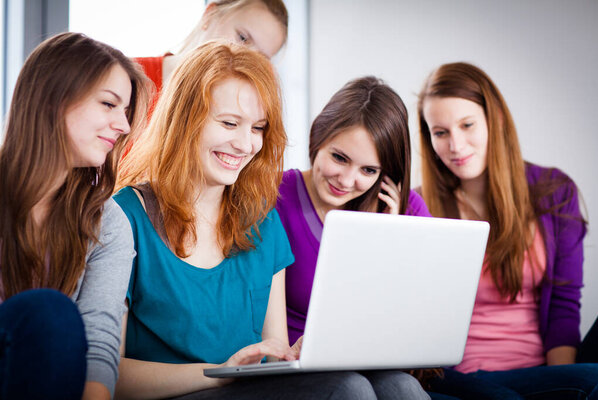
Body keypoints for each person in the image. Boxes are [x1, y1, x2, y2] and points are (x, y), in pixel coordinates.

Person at [114, 40, 407, 400]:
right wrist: (221, 374)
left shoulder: (263, 222)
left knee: (399, 385)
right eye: (229, 123)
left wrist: (293, 357)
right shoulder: (126, 218)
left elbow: (273, 348)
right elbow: (109, 373)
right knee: (349, 390)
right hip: (182, 393)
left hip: (245, 391)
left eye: (257, 128)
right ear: (184, 119)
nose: (245, 143)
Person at [417, 61, 598, 399]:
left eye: (467, 125)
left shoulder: (555, 191)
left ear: (495, 120)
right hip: (458, 380)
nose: (455, 146)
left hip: (537, 374)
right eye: (440, 132)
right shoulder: (419, 206)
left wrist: (562, 385)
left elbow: (564, 304)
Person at [0, 32, 149, 400]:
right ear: (55, 96)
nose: (124, 126)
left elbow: (98, 342)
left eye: (126, 111)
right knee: (49, 311)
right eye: (108, 104)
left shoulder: (107, 222)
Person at [276, 76, 432, 400]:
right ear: (318, 136)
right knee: (352, 389)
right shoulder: (276, 196)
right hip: (294, 366)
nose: (347, 181)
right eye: (340, 158)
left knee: (405, 389)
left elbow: (419, 317)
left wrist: (390, 239)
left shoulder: (405, 209)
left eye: (369, 171)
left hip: (374, 362)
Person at [134, 0, 287, 100]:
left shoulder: (237, 122)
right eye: (242, 38)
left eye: (260, 58)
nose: (247, 57)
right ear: (209, 15)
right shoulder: (127, 76)